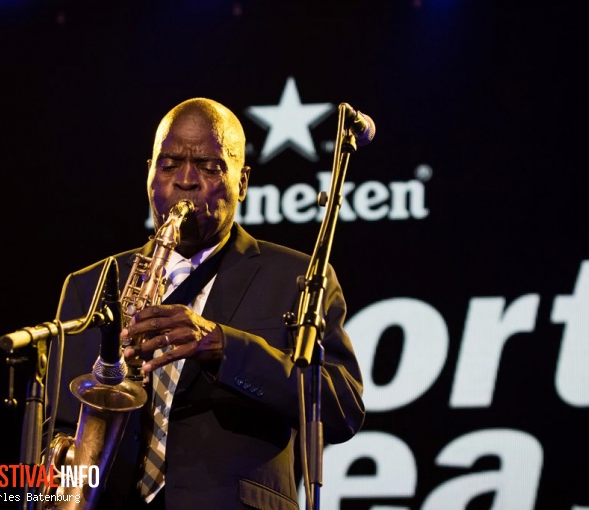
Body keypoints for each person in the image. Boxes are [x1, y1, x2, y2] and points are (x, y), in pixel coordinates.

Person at [46, 97, 365, 510]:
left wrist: (226, 348)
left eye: (210, 166)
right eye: (170, 163)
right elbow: (61, 428)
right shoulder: (88, 284)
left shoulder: (295, 277)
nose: (186, 180)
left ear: (243, 181)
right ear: (149, 173)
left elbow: (342, 409)